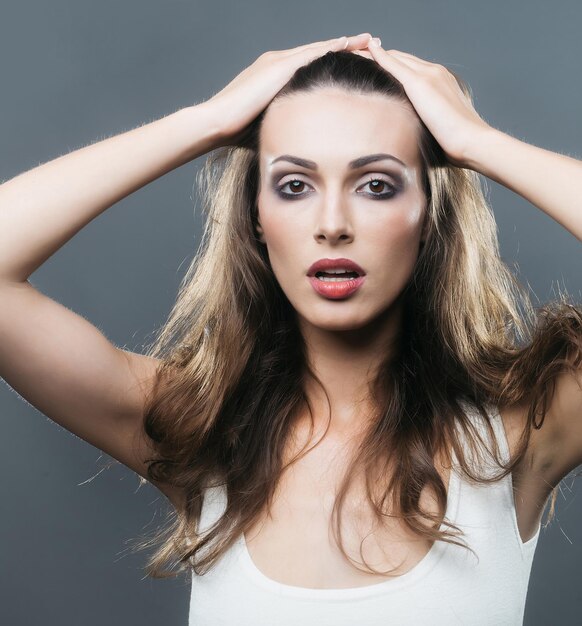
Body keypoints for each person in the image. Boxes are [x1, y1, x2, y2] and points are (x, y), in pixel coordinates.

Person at [0, 32, 580, 625]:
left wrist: (477, 143)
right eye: (294, 185)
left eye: (377, 185)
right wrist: (205, 122)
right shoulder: (205, 438)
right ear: (256, 219)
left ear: (430, 216)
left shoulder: (518, 435)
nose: (332, 224)